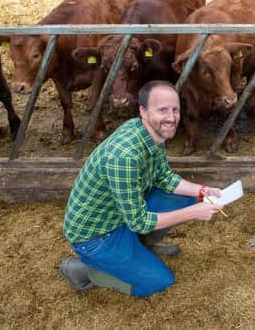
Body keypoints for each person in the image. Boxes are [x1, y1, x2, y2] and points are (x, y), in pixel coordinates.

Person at [60, 80, 224, 297]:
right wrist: (194, 213)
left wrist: (204, 191)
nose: (171, 117)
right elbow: (139, 221)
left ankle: (139, 248)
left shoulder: (152, 133)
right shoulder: (124, 158)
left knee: (182, 197)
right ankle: (85, 271)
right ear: (143, 112)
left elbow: (164, 177)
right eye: (163, 110)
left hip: (121, 216)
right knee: (159, 281)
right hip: (97, 237)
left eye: (175, 110)